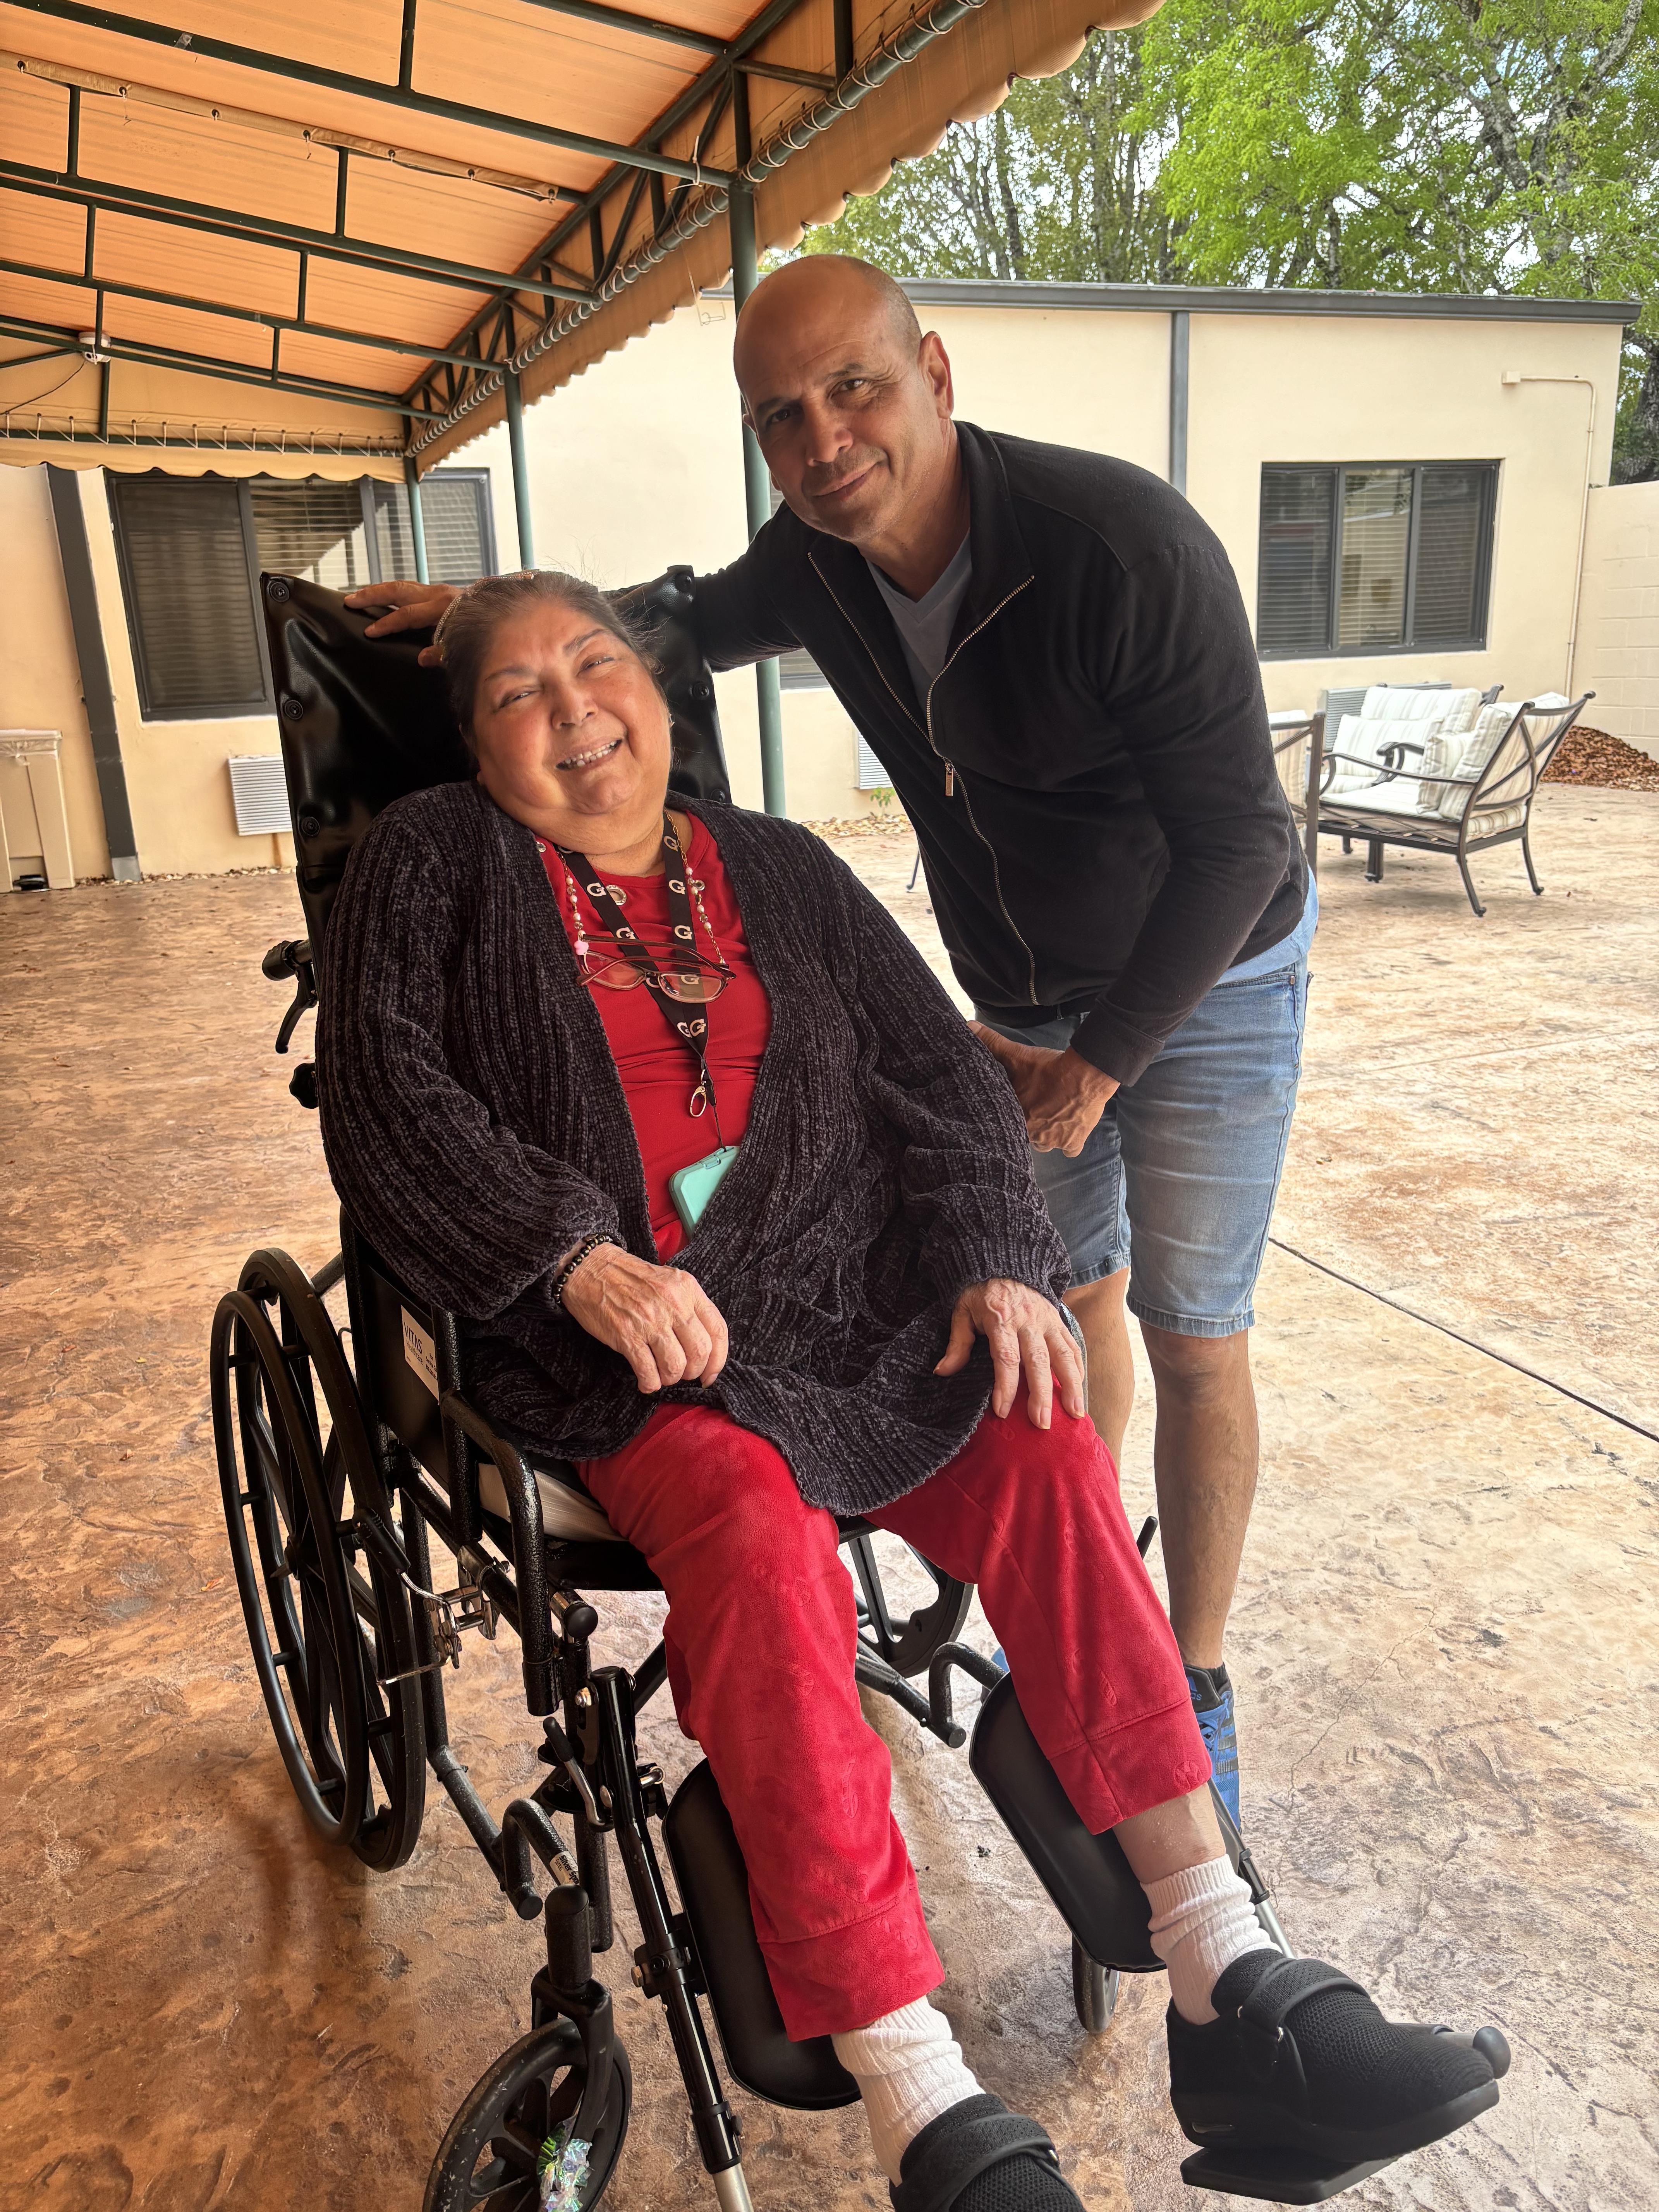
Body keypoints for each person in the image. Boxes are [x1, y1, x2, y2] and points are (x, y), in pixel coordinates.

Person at [318, 570, 1498, 2212]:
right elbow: (385, 1094)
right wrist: (570, 1258)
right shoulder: (431, 863)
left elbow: (938, 1077)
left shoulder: (783, 868)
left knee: (1041, 1429)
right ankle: (919, 2098)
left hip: (844, 1305)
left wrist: (1005, 1261)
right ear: (469, 744)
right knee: (752, 1522)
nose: (575, 707)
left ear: (659, 692)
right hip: (621, 1350)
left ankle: (1231, 1979)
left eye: (598, 663)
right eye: (518, 691)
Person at [348, 255, 1315, 1829]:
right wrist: (491, 626)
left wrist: (1102, 1062)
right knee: (1065, 1304)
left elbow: (1240, 842)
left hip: (1204, 971)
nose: (823, 437)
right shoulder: (810, 561)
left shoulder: (1117, 547)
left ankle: (1182, 1678)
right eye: (781, 417)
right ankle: (1078, 1644)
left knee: (1198, 1331)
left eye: (853, 388)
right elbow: (657, 627)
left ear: (934, 372)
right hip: (1013, 985)